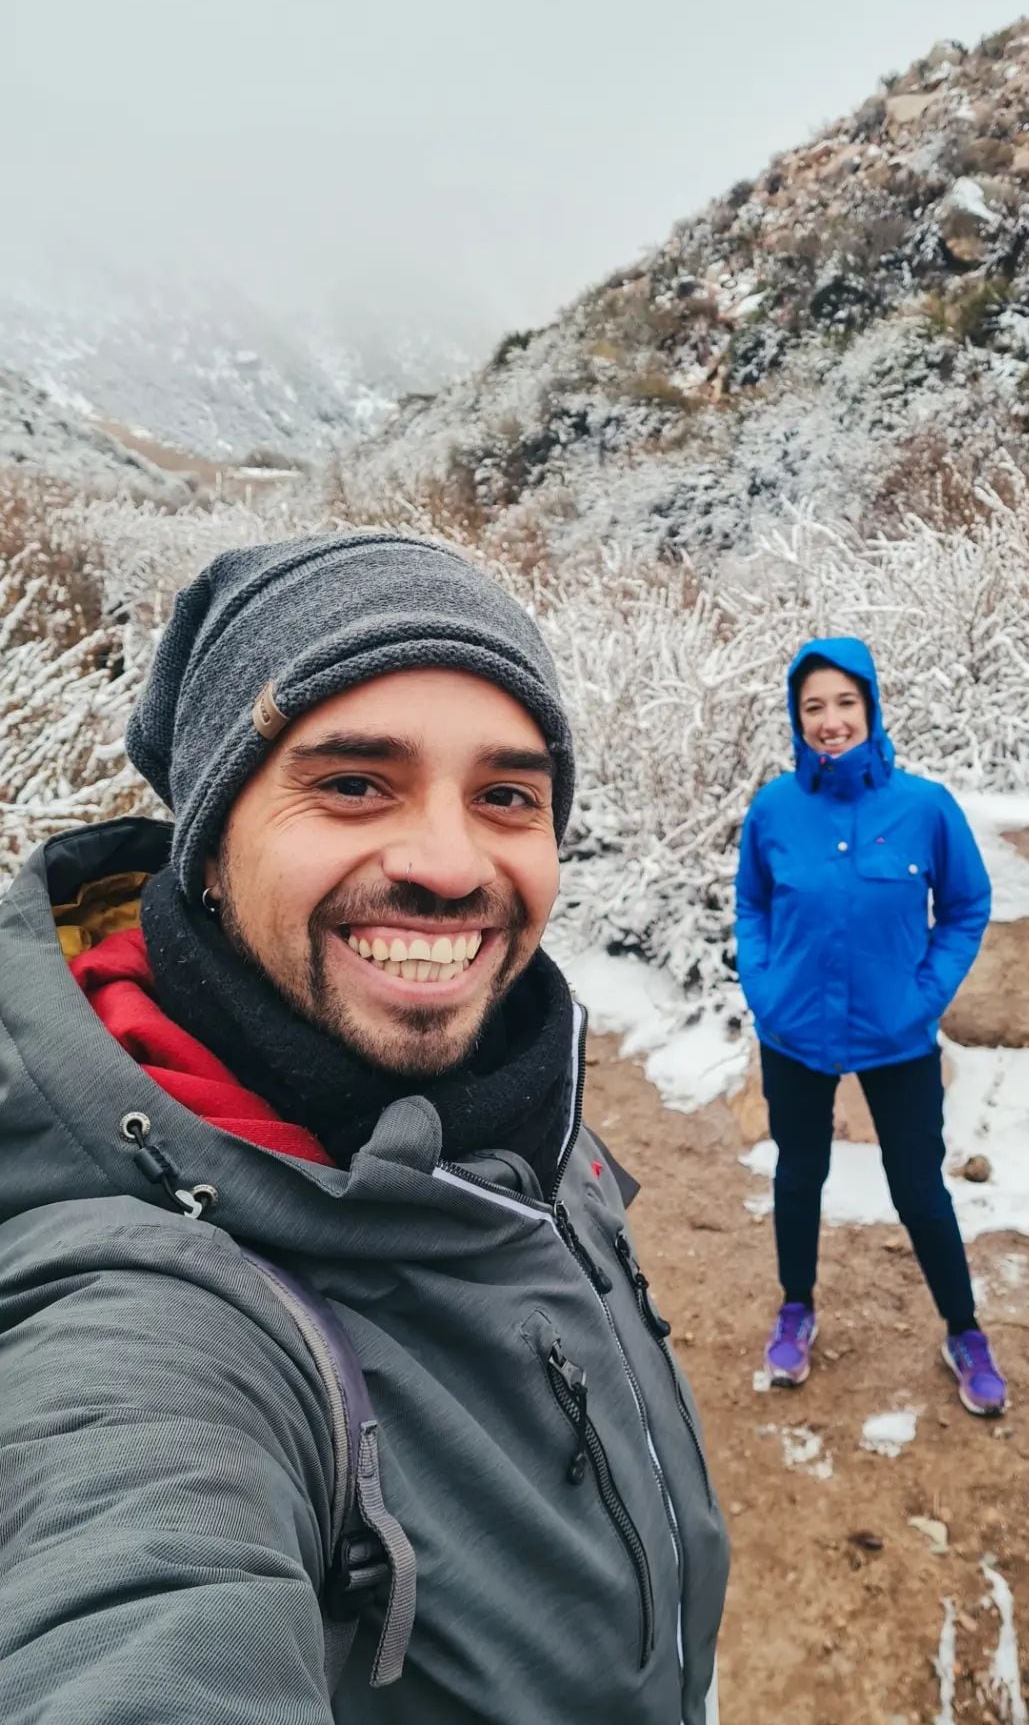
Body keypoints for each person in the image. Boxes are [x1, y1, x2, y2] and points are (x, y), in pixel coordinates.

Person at [0, 534, 728, 1724]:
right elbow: (128, 1612)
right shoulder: (151, 1315)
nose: (450, 864)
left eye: (506, 796)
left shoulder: (520, 1101)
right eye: (352, 782)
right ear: (211, 847)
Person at [734, 637, 1005, 1414]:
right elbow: (752, 903)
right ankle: (795, 1309)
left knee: (919, 1185)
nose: (830, 721)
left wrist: (925, 995)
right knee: (798, 1173)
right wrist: (764, 984)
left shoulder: (924, 808)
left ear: (872, 707)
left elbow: (966, 906)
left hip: (898, 1036)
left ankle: (965, 1330)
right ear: (796, 717)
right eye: (813, 706)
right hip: (795, 1032)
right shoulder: (775, 810)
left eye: (844, 703)